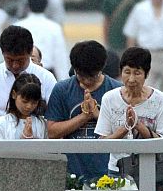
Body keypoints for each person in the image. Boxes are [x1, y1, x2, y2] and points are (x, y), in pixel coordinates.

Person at [47, 41, 122, 181]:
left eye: (92, 76)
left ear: (102, 68)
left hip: (109, 173)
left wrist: (97, 115)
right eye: (81, 76)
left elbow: (124, 131)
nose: (86, 81)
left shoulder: (117, 91)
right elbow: (52, 131)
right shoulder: (62, 90)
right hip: (72, 174)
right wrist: (84, 117)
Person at [94, 47, 163, 173]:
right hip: (117, 170)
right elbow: (103, 143)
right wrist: (125, 128)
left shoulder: (160, 99)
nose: (131, 79)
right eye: (127, 72)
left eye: (137, 73)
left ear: (147, 74)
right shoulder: (109, 98)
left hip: (150, 170)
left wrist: (138, 125)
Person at [0, 25, 57, 134]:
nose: (15, 65)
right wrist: (10, 123)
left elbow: (55, 117)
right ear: (2, 52)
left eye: (20, 60)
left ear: (30, 52)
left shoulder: (46, 77)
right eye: (9, 60)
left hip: (35, 146)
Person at [14, 0, 70, 79]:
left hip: (23, 75)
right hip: (47, 74)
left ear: (28, 5)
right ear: (46, 5)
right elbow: (60, 58)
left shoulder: (18, 26)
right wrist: (63, 82)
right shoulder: (54, 27)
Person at [0, 73, 48, 139]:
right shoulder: (2, 123)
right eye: (25, 101)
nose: (29, 106)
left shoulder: (42, 123)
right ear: (14, 94)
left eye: (34, 103)